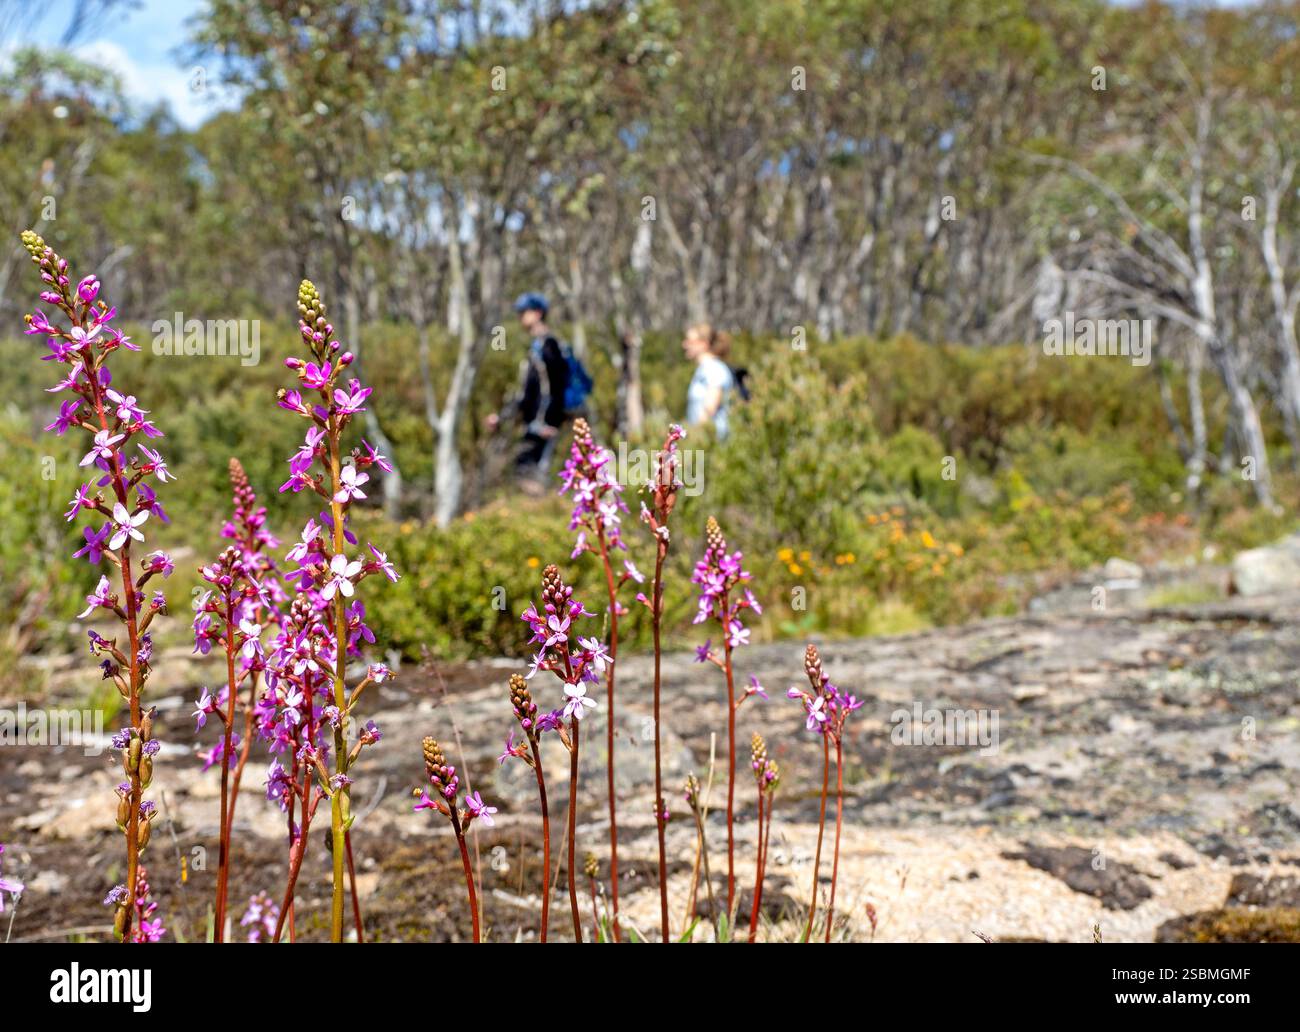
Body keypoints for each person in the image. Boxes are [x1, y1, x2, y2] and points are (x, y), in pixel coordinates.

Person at [488, 292, 573, 490]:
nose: (520, 317)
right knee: (522, 474)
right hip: (533, 426)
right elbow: (526, 394)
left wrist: (548, 422)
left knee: (532, 480)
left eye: (523, 311)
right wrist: (502, 418)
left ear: (537, 313)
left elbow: (555, 388)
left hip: (543, 427)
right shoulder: (536, 346)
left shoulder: (550, 346)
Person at [682, 322, 736, 439]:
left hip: (712, 443)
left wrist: (694, 438)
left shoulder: (714, 369)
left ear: (704, 344)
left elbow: (709, 409)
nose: (685, 345)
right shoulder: (703, 370)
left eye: (690, 341)